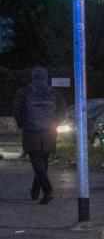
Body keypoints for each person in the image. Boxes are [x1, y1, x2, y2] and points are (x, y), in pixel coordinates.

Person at [12, 67, 64, 205]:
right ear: (46, 77)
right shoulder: (54, 93)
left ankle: (47, 191)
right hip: (49, 131)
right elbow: (62, 112)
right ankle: (35, 191)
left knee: (36, 162)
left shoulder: (24, 91)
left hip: (31, 130)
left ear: (33, 76)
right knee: (43, 162)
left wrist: (21, 124)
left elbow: (17, 110)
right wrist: (55, 123)